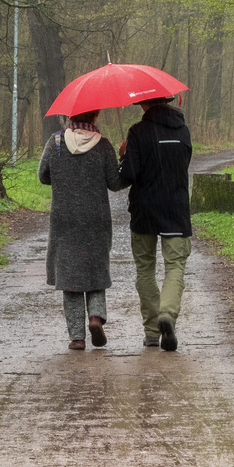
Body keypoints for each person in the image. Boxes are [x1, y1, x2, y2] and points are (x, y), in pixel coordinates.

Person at [38, 108, 123, 350]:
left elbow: (43, 176)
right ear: (95, 116)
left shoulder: (54, 143)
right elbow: (115, 183)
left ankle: (77, 337)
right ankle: (95, 317)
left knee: (69, 276)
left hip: (64, 219)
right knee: (95, 270)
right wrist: (123, 157)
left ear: (70, 116)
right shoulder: (104, 145)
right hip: (96, 218)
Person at [117, 95, 193, 351]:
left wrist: (124, 156)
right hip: (176, 209)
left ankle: (151, 332)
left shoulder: (138, 131)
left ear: (143, 104)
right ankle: (167, 316)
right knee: (174, 267)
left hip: (144, 210)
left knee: (145, 269)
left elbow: (127, 176)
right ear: (168, 101)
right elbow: (182, 166)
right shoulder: (182, 130)